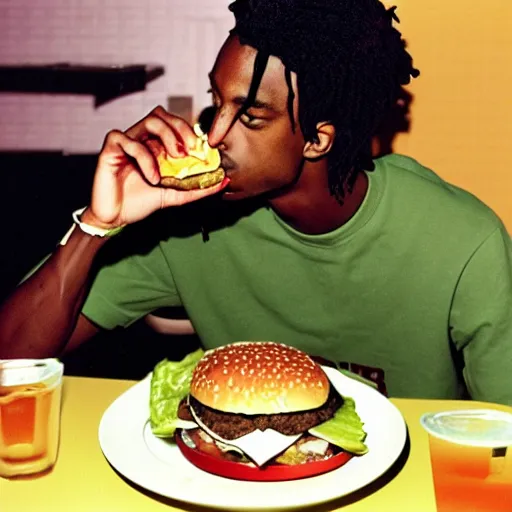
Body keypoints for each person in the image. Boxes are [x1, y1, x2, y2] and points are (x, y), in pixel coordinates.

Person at [0, 0, 511, 404]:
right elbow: (9, 365)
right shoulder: (188, 223)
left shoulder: (464, 243)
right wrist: (96, 226)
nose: (213, 132)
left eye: (250, 116)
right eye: (216, 103)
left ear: (317, 139)